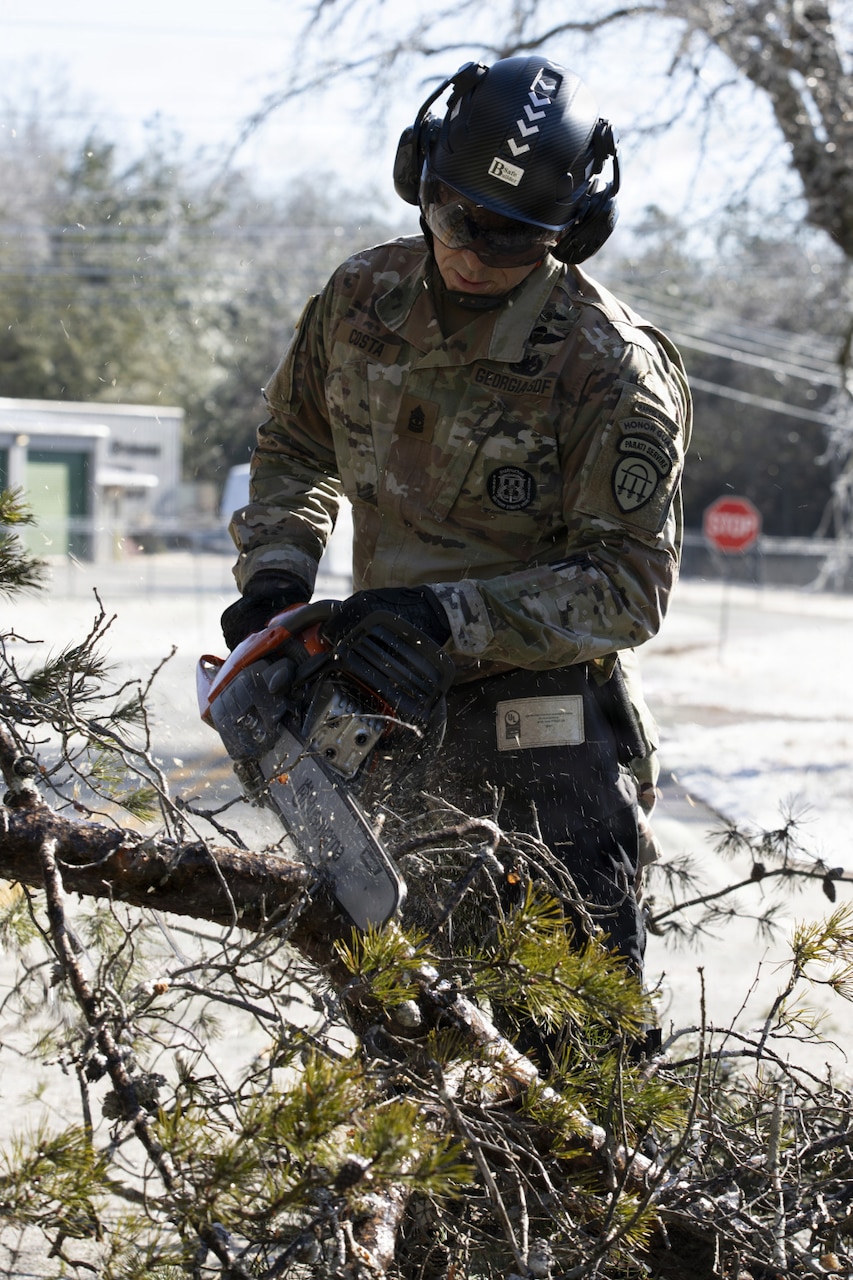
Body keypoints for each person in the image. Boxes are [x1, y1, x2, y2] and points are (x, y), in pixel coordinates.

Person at [220, 54, 691, 987]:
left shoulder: (608, 369)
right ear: (419, 180)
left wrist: (443, 618)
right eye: (453, 217)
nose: (472, 250)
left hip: (545, 749)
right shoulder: (361, 301)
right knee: (406, 1048)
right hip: (383, 723)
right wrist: (276, 576)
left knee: (562, 1054)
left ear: (571, 232)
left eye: (511, 239)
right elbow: (293, 447)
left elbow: (627, 590)